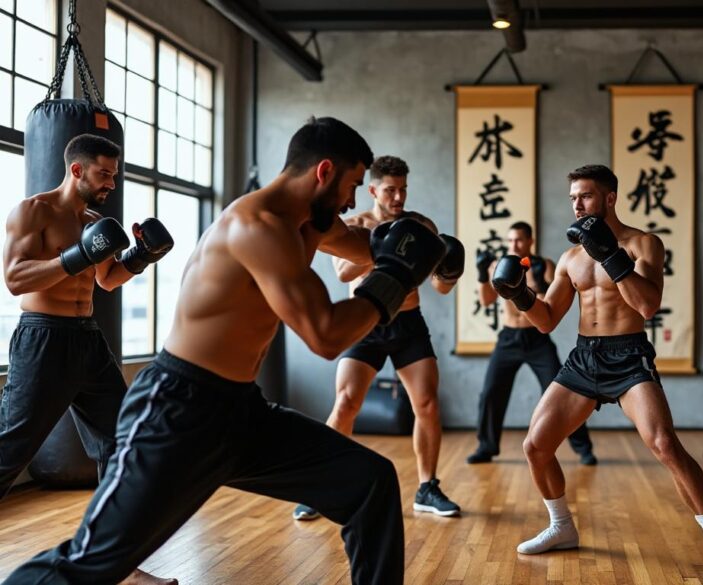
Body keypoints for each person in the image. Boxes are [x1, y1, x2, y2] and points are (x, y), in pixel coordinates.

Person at [2, 117, 448, 584]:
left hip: (240, 411)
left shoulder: (310, 222)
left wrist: (421, 248)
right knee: (91, 563)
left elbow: (365, 247)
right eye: (352, 185)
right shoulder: (257, 226)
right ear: (324, 172)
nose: (353, 201)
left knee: (369, 483)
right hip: (177, 410)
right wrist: (397, 276)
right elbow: (325, 335)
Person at [493, 164, 703, 582]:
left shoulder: (644, 243)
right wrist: (520, 293)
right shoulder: (570, 257)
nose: (577, 205)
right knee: (535, 446)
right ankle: (561, 525)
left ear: (610, 198)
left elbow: (647, 306)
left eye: (587, 196)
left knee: (665, 444)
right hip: (583, 358)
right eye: (573, 197)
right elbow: (545, 320)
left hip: (629, 356)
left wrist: (611, 257)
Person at [1, 134, 176, 585]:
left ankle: (119, 565)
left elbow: (107, 281)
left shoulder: (96, 219)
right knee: (9, 451)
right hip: (44, 339)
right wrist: (78, 254)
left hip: (88, 341)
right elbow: (15, 278)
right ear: (77, 170)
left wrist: (142, 256)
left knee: (121, 445)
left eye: (114, 175)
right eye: (104, 174)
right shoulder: (33, 212)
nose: (111, 183)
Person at [292, 155, 465, 521]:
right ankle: (323, 487)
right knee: (347, 403)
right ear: (373, 189)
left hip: (407, 321)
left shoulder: (421, 225)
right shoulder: (355, 224)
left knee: (428, 405)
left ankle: (427, 487)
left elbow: (440, 286)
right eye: (390, 190)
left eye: (403, 189)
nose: (398, 197)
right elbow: (342, 273)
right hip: (365, 320)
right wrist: (383, 250)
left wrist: (449, 272)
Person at [466, 221, 596, 465]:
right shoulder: (500, 265)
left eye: (519, 240)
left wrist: (534, 281)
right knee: (492, 392)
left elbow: (550, 302)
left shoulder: (544, 265)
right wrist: (483, 273)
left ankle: (583, 448)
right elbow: (485, 300)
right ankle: (486, 447)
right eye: (510, 240)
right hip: (508, 338)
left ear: (530, 241)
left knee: (563, 392)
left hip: (537, 338)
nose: (514, 244)